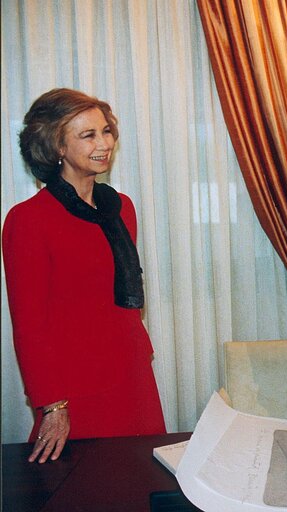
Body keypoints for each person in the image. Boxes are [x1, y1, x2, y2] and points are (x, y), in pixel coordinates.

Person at [3, 88, 166, 463]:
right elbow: (29, 324)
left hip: (133, 375)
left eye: (106, 131)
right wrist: (53, 405)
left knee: (141, 483)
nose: (104, 143)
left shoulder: (121, 207)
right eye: (88, 135)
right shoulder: (28, 220)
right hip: (75, 387)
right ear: (56, 146)